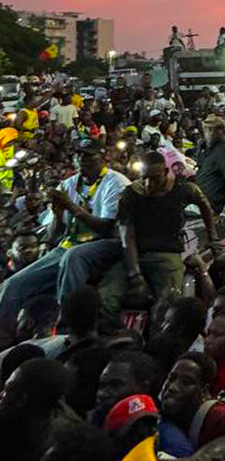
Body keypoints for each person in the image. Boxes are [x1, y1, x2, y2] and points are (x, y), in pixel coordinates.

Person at [0, 141, 129, 346]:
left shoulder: (116, 182)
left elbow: (105, 227)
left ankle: (65, 332)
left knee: (74, 257)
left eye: (88, 156)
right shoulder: (68, 184)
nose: (81, 160)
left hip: (106, 243)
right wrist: (59, 214)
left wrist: (70, 206)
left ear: (103, 158)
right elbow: (54, 235)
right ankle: (5, 340)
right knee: (12, 285)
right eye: (78, 155)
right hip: (67, 245)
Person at [98, 152, 218, 325]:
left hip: (167, 255)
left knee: (167, 306)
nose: (148, 184)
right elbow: (127, 237)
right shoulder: (131, 194)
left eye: (154, 178)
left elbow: (204, 205)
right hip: (135, 254)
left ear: (166, 171)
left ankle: (159, 344)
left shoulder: (183, 189)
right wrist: (135, 275)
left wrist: (212, 236)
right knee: (105, 299)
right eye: (144, 178)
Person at [195, 115, 225, 215]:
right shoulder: (203, 149)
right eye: (208, 129)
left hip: (218, 208)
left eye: (214, 130)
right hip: (203, 208)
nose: (211, 133)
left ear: (222, 131)